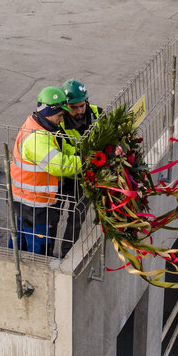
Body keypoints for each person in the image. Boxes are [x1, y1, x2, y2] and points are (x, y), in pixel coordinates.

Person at [10, 86, 82, 256]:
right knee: (39, 249)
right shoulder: (37, 138)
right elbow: (60, 165)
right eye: (60, 115)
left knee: (18, 243)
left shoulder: (40, 127)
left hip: (25, 199)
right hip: (34, 204)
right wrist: (84, 161)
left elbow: (60, 151)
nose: (62, 119)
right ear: (50, 112)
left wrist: (77, 153)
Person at [60, 78, 102, 247]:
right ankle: (47, 252)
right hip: (65, 174)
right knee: (53, 216)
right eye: (74, 107)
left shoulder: (97, 113)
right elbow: (61, 154)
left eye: (82, 105)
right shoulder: (59, 123)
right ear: (65, 106)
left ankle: (66, 252)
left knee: (76, 217)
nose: (80, 110)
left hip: (86, 178)